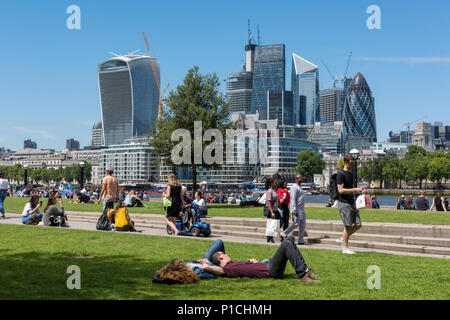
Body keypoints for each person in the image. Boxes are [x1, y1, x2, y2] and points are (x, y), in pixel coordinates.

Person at [199, 238, 319, 283]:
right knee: (287, 243)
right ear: (220, 258)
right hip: (270, 270)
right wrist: (205, 265)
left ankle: (305, 270)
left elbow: (246, 268)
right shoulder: (227, 269)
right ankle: (303, 274)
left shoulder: (232, 264)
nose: (227, 254)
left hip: (266, 265)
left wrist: (250, 261)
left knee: (290, 240)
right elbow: (216, 270)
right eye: (224, 254)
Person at [336, 154, 365, 255]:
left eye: (353, 164)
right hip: (344, 203)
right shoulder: (340, 174)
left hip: (352, 202)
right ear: (346, 162)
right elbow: (340, 190)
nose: (353, 166)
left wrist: (358, 191)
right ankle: (345, 248)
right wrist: (355, 189)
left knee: (358, 224)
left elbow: (351, 189)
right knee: (348, 226)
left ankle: (342, 238)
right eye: (351, 164)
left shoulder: (351, 175)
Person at [281, 174, 306, 245]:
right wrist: (294, 209)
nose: (302, 178)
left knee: (303, 224)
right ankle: (283, 233)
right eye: (300, 178)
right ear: (296, 179)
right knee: (295, 223)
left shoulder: (300, 187)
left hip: (302, 209)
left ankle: (300, 240)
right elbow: (293, 199)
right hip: (297, 208)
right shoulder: (294, 187)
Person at [265, 177, 281, 243]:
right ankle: (269, 238)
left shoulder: (274, 191)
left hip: (276, 209)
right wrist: (272, 212)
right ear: (271, 184)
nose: (276, 183)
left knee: (280, 222)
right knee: (271, 224)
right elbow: (268, 202)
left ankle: (270, 237)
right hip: (271, 210)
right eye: (275, 182)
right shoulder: (269, 191)